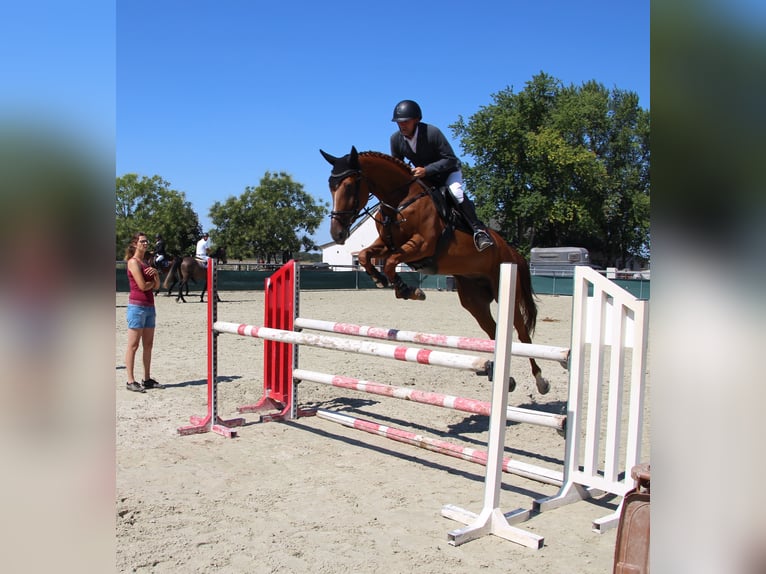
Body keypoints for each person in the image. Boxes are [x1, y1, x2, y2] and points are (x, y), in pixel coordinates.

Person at [389, 99, 494, 251]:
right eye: (399, 122)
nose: (402, 125)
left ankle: (479, 231)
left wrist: (426, 170)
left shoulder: (432, 133)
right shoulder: (396, 139)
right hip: (425, 177)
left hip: (448, 172)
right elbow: (398, 166)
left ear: (416, 120)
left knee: (456, 193)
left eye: (406, 121)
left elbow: (450, 159)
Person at [123, 232, 164, 393]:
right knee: (133, 345)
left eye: (147, 241)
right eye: (142, 241)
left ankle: (146, 379)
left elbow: (157, 286)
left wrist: (156, 278)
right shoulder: (133, 262)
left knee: (148, 345)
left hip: (149, 306)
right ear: (135, 244)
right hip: (137, 307)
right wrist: (153, 280)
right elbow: (142, 286)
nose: (146, 244)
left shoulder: (146, 262)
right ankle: (130, 380)